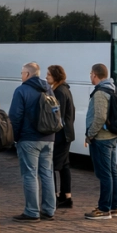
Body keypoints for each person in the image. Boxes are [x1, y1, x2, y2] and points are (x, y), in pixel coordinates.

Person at [9, 62, 56, 222]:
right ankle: (49, 210)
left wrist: (13, 137)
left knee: (30, 174)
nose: (21, 75)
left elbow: (15, 116)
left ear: (28, 74)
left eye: (22, 72)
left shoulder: (21, 90)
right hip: (49, 138)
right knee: (47, 173)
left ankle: (32, 211)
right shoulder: (48, 88)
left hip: (29, 138)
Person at [84, 63, 117, 219]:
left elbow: (99, 117)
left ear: (95, 74)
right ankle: (114, 207)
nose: (90, 76)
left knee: (105, 174)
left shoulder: (100, 93)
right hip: (112, 137)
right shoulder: (113, 89)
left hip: (101, 139)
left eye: (91, 73)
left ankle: (104, 209)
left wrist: (90, 135)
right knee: (112, 173)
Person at [47, 65, 76, 209]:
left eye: (49, 75)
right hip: (67, 133)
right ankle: (66, 196)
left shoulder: (58, 92)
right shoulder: (66, 90)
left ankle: (53, 197)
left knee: (51, 166)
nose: (46, 77)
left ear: (55, 76)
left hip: (60, 135)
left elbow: (58, 116)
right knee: (64, 166)